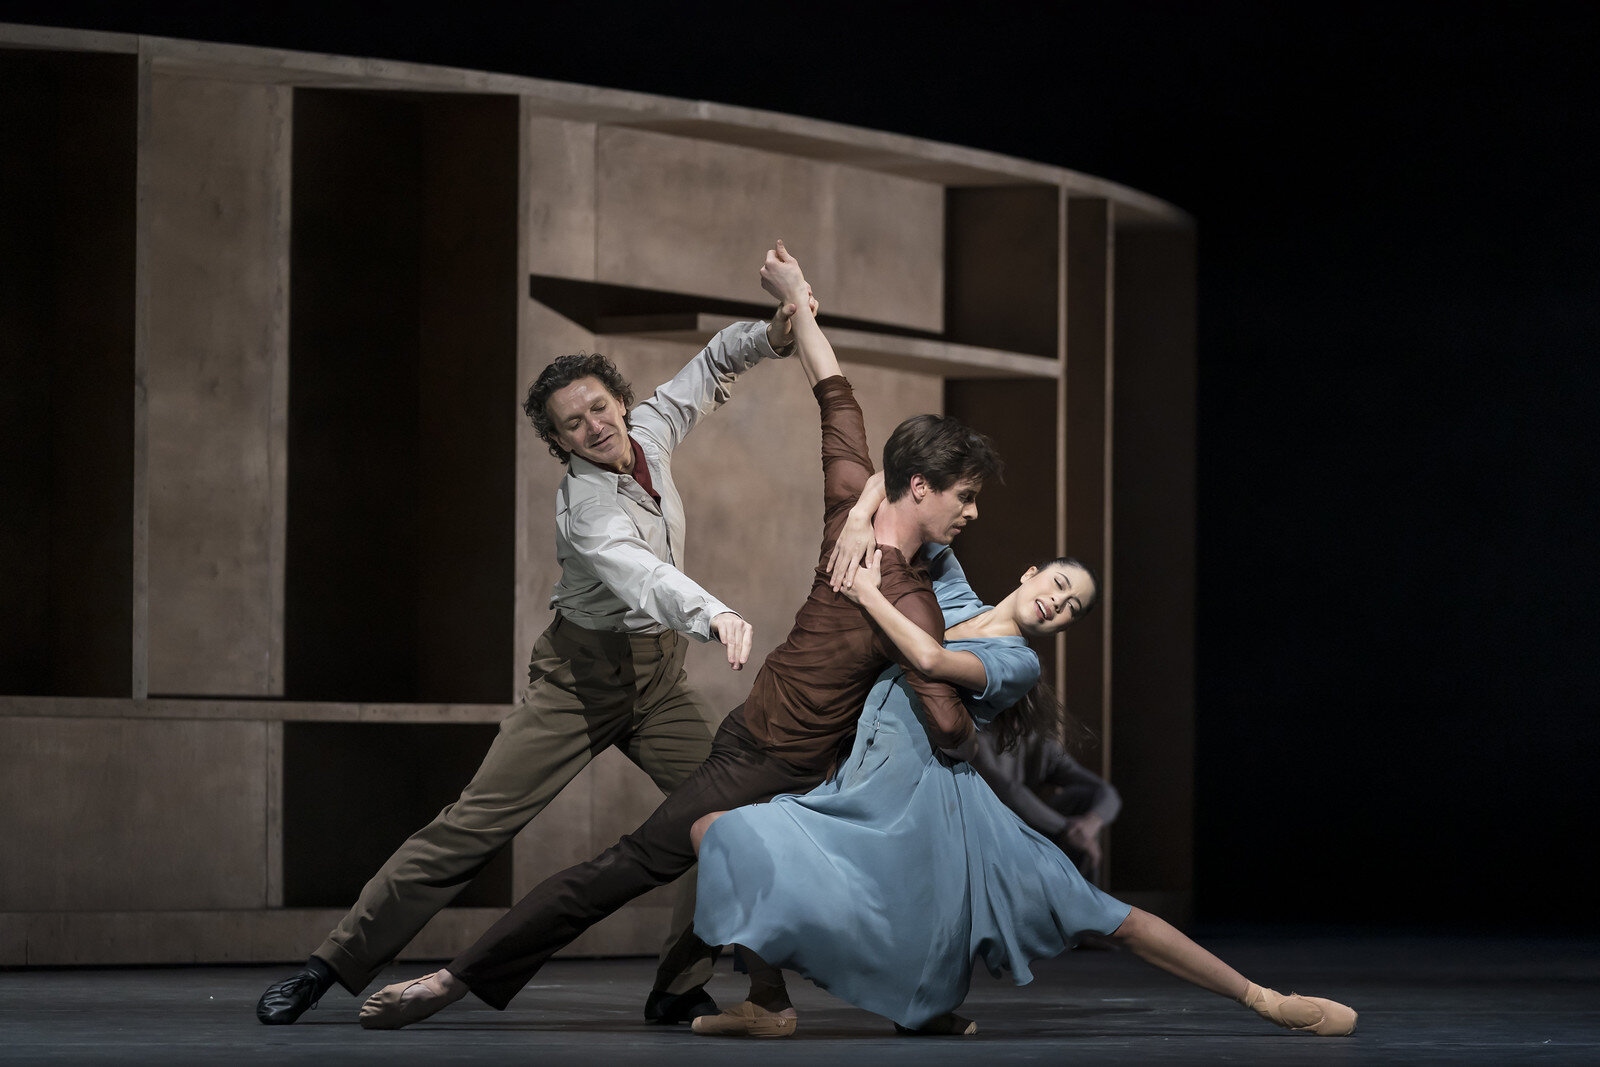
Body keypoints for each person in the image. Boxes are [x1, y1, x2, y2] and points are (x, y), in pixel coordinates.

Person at [353, 239, 1003, 1034]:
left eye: (601, 407)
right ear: (920, 486)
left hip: (791, 765)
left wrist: (794, 304)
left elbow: (833, 393)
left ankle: (799, 1001)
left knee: (826, 871)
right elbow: (949, 725)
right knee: (627, 864)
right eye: (964, 499)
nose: (972, 516)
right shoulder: (912, 600)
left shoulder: (848, 514)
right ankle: (447, 978)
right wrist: (972, 681)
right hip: (733, 751)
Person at [255, 298, 812, 1027]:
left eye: (599, 407)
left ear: (620, 400)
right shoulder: (586, 507)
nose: (594, 426)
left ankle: (680, 982)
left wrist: (769, 336)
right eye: (573, 423)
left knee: (724, 813)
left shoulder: (650, 430)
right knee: (471, 826)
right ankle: (329, 964)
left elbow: (708, 367)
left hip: (659, 678)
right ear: (558, 440)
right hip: (580, 680)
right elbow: (640, 573)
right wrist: (714, 611)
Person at [690, 542, 1357, 1038]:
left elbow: (926, 659)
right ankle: (769, 1002)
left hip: (938, 807)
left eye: (1072, 608)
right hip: (860, 792)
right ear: (1032, 571)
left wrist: (867, 592)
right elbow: (905, 493)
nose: (1060, 603)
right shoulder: (950, 592)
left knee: (1103, 913)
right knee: (717, 830)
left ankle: (1264, 998)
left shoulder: (1017, 661)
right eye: (1060, 585)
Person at [971, 725, 1121, 883]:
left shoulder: (1038, 742)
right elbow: (1009, 793)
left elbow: (1106, 792)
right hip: (990, 829)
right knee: (1078, 835)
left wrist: (1092, 821)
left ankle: (1081, 898)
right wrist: (1068, 829)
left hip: (1034, 827)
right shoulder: (975, 737)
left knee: (1084, 799)